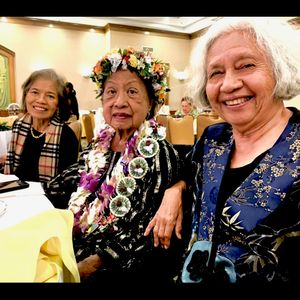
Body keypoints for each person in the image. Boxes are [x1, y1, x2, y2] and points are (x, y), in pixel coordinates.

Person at [146, 17, 300, 287]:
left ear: (280, 69)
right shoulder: (213, 138)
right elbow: (186, 166)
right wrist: (176, 190)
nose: (228, 84)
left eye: (247, 65)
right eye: (216, 72)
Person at [43, 47, 186, 285]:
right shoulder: (98, 145)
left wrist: (85, 267)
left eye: (132, 92)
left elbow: (142, 234)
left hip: (120, 269)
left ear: (151, 102)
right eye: (111, 92)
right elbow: (68, 181)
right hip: (76, 245)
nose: (119, 102)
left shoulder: (159, 153)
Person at [3, 68, 79, 183]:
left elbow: (67, 184)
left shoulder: (66, 136)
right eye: (35, 92)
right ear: (26, 95)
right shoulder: (18, 126)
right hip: (15, 194)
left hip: (48, 198)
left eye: (50, 96)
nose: (41, 100)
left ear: (58, 103)